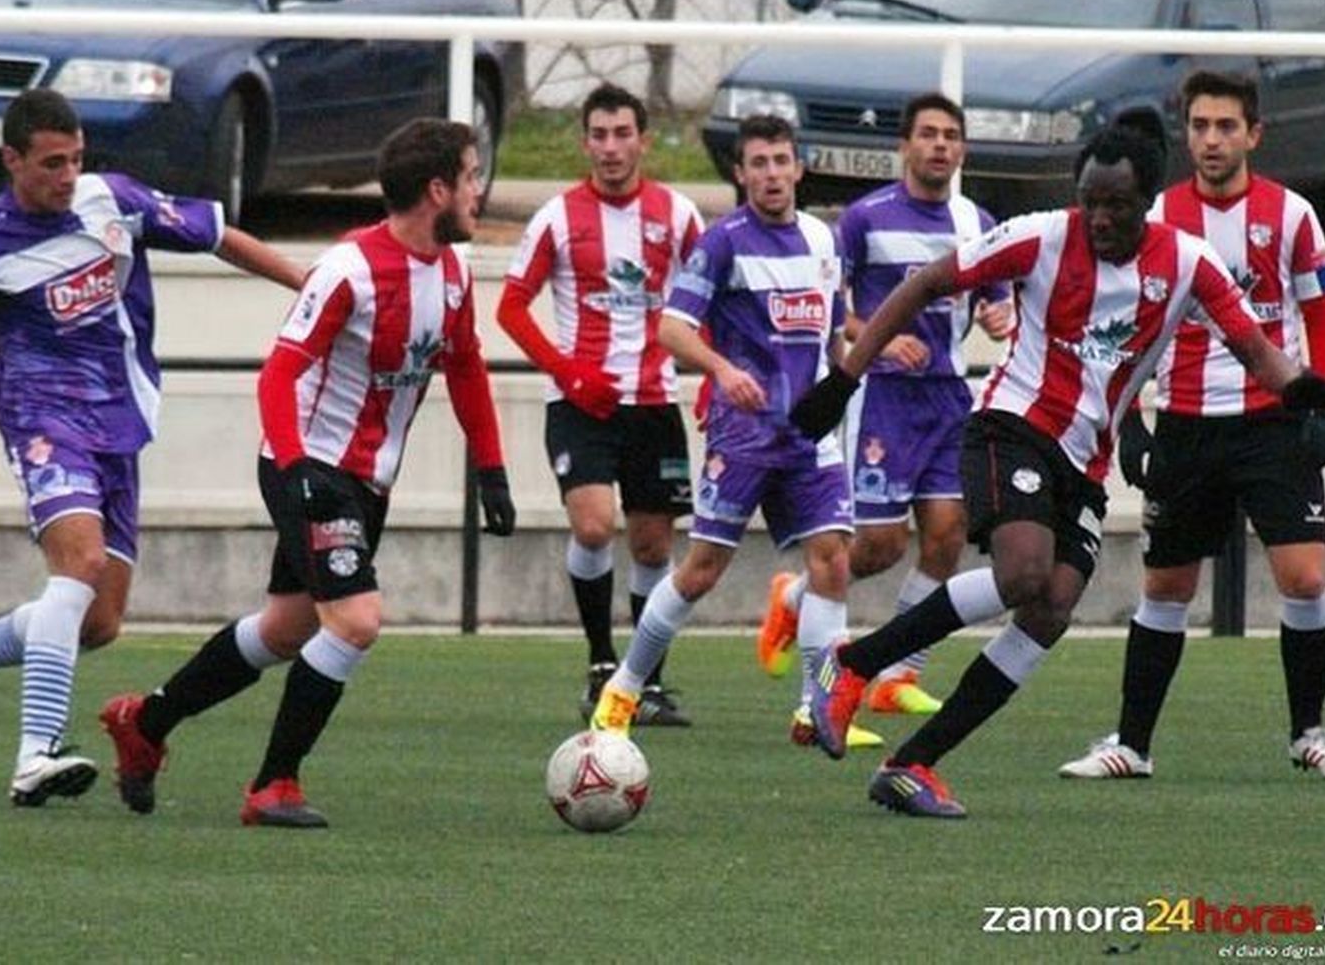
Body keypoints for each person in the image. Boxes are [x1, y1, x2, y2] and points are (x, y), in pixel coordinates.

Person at [788, 124, 1325, 818]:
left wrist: (1305, 391)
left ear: (1147, 200)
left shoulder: (1189, 264)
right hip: (1014, 427)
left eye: (1118, 204)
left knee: (1049, 607)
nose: (1102, 218)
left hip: (1085, 460)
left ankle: (911, 764)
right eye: (1092, 202)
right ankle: (855, 662)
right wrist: (843, 381)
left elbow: (1259, 352)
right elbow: (927, 282)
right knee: (1024, 571)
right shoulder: (1043, 236)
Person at [98, 117, 515, 827]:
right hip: (313, 467)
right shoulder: (350, 270)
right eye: (472, 176)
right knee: (355, 621)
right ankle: (273, 785)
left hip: (366, 480)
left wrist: (493, 467)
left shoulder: (449, 273)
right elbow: (279, 374)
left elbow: (467, 365)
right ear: (437, 188)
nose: (481, 190)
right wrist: (295, 469)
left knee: (286, 628)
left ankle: (147, 722)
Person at [0, 88, 304, 806]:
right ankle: (35, 754)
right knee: (80, 563)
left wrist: (309, 285)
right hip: (42, 420)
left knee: (98, 621)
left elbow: (218, 235)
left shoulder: (112, 201)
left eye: (76, 158)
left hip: (119, 422)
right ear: (12, 160)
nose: (66, 175)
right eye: (51, 163)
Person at [1060, 71, 1325, 782]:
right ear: (1185, 131)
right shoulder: (1155, 214)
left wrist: (1320, 402)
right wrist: (1131, 416)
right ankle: (1131, 742)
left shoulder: (1290, 214)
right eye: (1199, 125)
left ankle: (1309, 732)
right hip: (1186, 422)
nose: (1212, 139)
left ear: (1254, 134)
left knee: (1306, 574)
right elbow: (1122, 318)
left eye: (1226, 126)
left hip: (1271, 423)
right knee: (1165, 585)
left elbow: (1319, 316)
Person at [587, 113, 858, 745]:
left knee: (833, 561)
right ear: (740, 174)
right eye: (758, 164)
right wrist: (721, 369)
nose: (771, 174)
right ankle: (624, 687)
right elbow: (671, 328)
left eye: (781, 161)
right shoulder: (723, 243)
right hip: (744, 435)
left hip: (810, 434)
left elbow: (835, 331)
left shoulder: (823, 238)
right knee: (702, 569)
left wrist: (844, 386)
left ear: (799, 167)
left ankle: (815, 707)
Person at [758, 93, 1012, 718]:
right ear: (904, 146)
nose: (939, 146)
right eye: (927, 134)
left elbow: (995, 297)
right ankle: (792, 599)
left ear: (963, 150)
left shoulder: (977, 222)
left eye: (951, 136)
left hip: (949, 396)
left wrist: (1000, 313)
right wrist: (871, 333)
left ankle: (898, 675)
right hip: (881, 400)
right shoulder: (864, 220)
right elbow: (830, 304)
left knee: (948, 535)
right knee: (877, 544)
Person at [497, 83, 702, 727]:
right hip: (580, 403)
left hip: (654, 403)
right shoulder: (556, 218)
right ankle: (598, 660)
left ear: (642, 139)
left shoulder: (678, 215)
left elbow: (712, 298)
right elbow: (510, 307)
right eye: (599, 135)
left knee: (649, 546)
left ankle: (646, 681)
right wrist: (568, 372)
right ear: (585, 141)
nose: (611, 148)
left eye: (622, 134)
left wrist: (717, 376)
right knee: (592, 526)